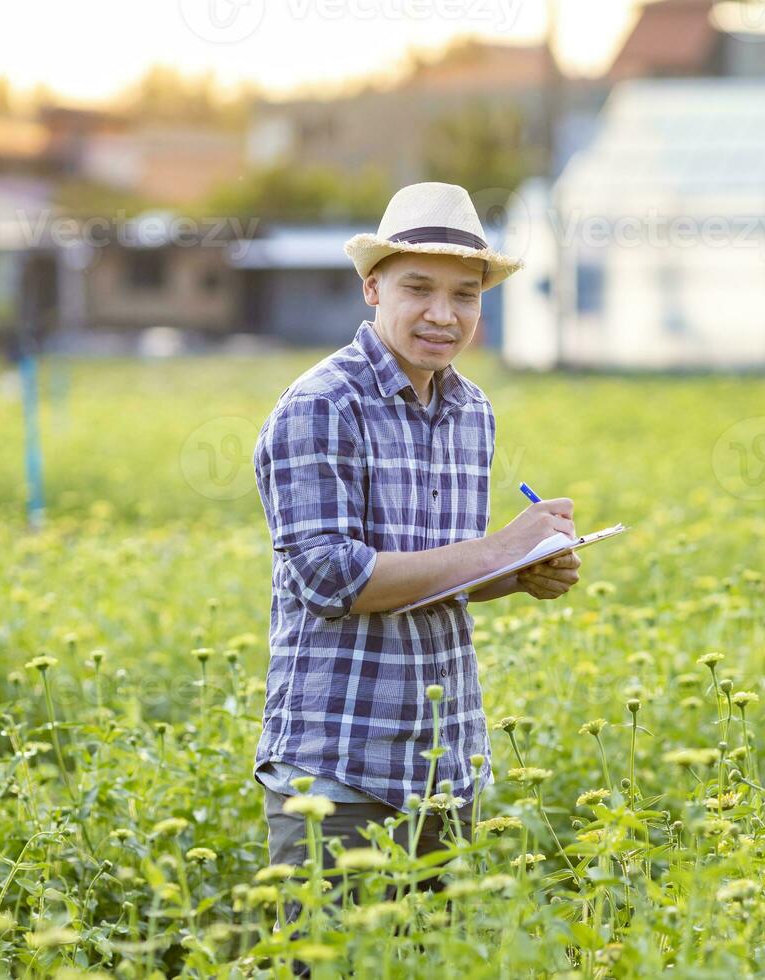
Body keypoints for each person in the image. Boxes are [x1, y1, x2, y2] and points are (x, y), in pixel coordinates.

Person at [252, 182, 583, 914]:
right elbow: (334, 580)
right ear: (373, 288)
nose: (443, 314)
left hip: (444, 765)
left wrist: (521, 573)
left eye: (465, 295)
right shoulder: (320, 406)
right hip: (338, 774)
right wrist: (498, 549)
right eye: (419, 288)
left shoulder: (471, 411)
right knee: (332, 965)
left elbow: (439, 576)